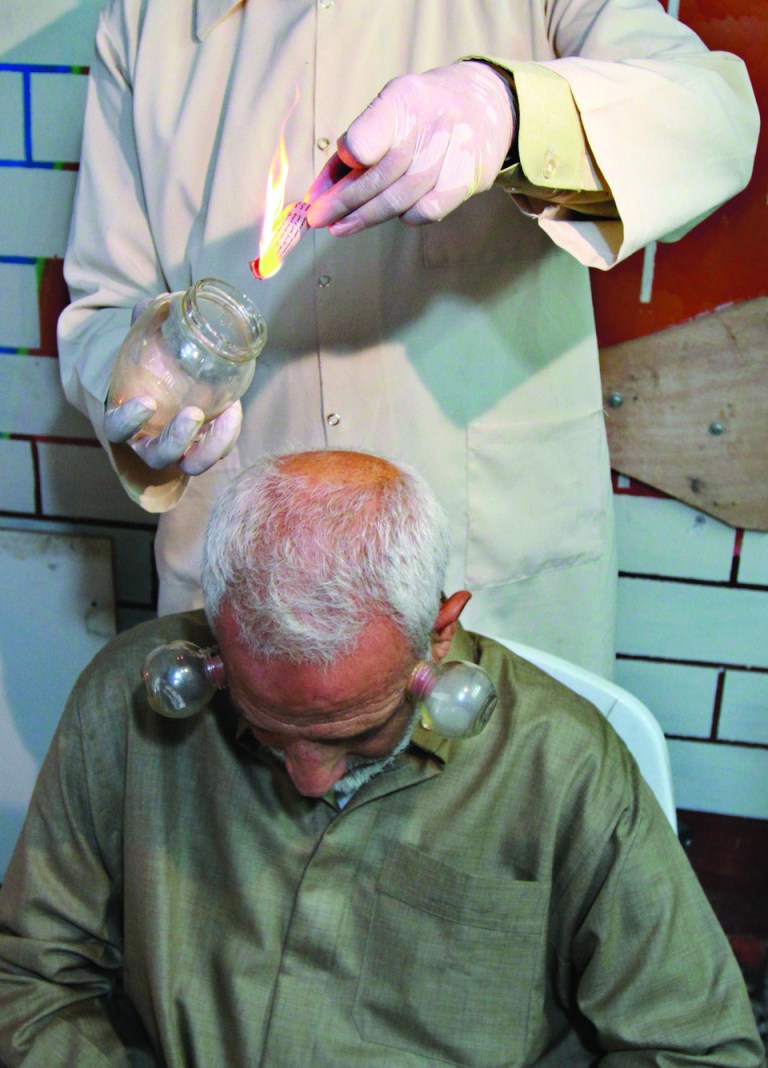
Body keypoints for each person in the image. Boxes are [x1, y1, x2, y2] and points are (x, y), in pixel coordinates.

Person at [56, 1, 759, 676]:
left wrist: (510, 112)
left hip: (485, 592)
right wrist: (143, 397)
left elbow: (716, 120)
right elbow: (104, 307)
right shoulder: (143, 18)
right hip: (247, 609)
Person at [0, 447, 763, 1066]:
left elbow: (697, 1050)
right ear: (218, 637)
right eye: (267, 729)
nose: (308, 779)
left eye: (352, 734)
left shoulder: (560, 765)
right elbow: (31, 972)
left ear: (439, 631)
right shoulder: (131, 700)